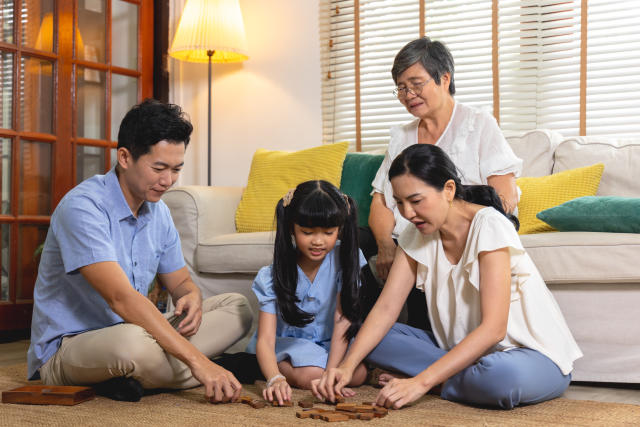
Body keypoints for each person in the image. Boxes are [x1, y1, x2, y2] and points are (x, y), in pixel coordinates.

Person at [313, 144, 582, 409]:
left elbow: (494, 329)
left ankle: (439, 382)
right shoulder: (414, 233)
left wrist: (420, 383)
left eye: (416, 201)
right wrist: (346, 367)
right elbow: (385, 309)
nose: (407, 213)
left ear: (449, 190)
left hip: (529, 358)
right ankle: (457, 379)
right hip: (462, 352)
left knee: (501, 379)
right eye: (399, 203)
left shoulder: (490, 226)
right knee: (366, 336)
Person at [27, 99, 253, 403]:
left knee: (237, 308)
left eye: (176, 169)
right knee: (132, 344)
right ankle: (217, 366)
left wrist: (191, 298)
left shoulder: (158, 212)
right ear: (124, 157)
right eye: (158, 168)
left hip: (139, 333)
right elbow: (121, 299)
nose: (168, 181)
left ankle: (137, 377)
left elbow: (181, 283)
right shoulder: (83, 207)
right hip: (70, 348)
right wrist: (199, 362)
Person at [362, 37, 523, 328]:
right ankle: (348, 339)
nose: (408, 94)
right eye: (401, 87)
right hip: (405, 238)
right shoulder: (401, 136)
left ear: (444, 78)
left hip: (452, 236)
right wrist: (385, 245)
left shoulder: (478, 123)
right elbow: (381, 200)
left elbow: (502, 196)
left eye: (416, 83)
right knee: (345, 242)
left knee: (426, 250)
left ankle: (422, 346)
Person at [246, 180, 368, 405]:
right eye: (307, 232)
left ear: (340, 228)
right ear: (292, 227)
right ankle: (272, 367)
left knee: (358, 373)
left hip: (331, 341)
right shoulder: (272, 275)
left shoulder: (345, 260)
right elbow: (265, 339)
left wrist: (331, 375)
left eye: (329, 232)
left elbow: (342, 320)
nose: (318, 241)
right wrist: (275, 378)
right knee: (310, 373)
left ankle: (320, 372)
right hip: (291, 344)